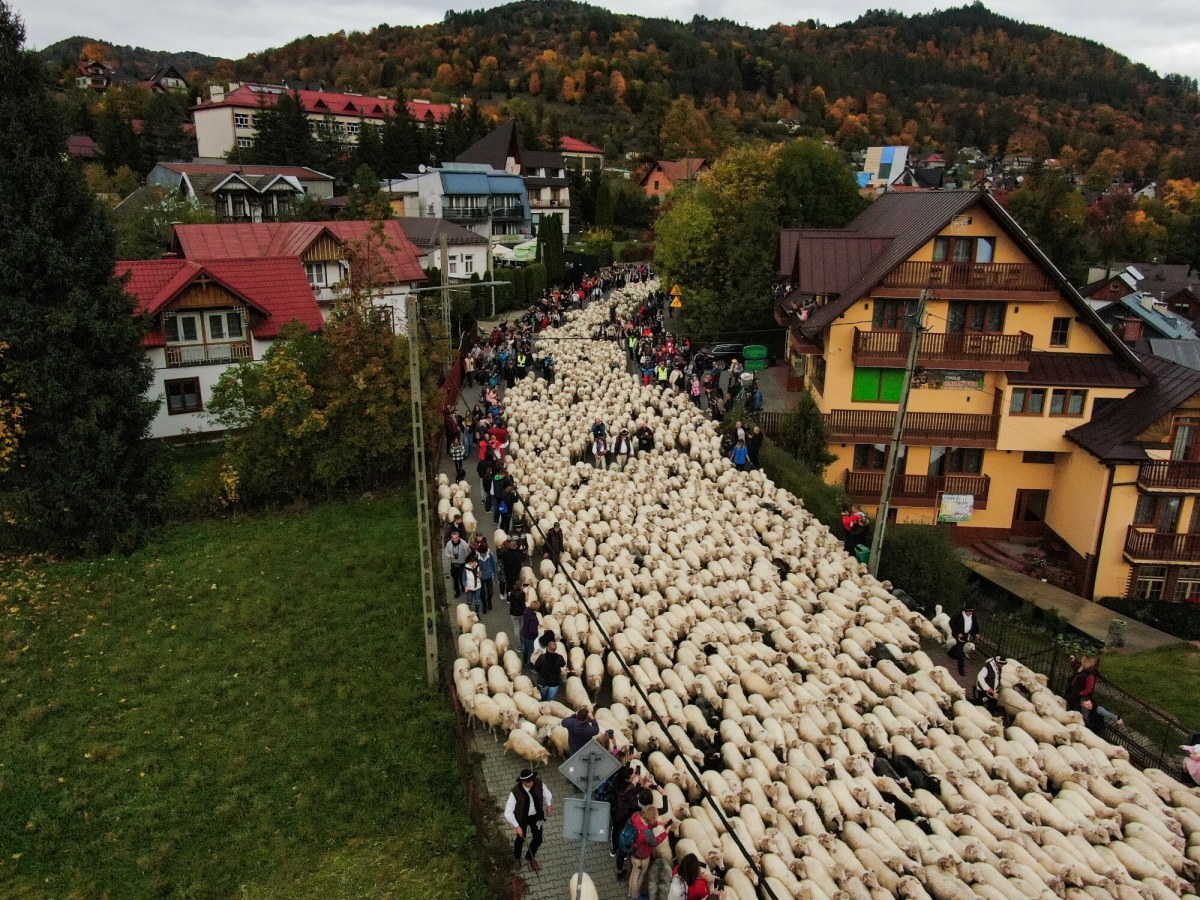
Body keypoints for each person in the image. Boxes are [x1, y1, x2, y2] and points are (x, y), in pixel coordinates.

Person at [504, 768, 554, 873]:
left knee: (538, 838)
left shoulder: (539, 783)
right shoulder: (515, 792)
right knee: (521, 838)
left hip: (537, 816)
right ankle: (517, 857)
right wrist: (516, 826)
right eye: (528, 781)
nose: (531, 782)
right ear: (522, 782)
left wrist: (549, 805)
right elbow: (508, 812)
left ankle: (530, 857)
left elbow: (547, 794)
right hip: (522, 818)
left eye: (532, 780)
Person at [628, 804, 669, 900]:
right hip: (641, 857)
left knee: (634, 873)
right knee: (639, 876)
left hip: (634, 851)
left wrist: (658, 823)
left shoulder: (636, 816)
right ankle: (635, 896)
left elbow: (646, 823)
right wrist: (665, 832)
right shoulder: (647, 832)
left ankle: (630, 892)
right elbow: (655, 842)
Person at [947, 604, 980, 676]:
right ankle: (961, 669)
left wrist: (976, 633)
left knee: (960, 645)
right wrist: (957, 633)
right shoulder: (958, 616)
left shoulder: (973, 616)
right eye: (969, 612)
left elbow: (975, 624)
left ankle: (950, 653)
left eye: (971, 612)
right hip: (959, 634)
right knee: (960, 651)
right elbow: (951, 623)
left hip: (966, 634)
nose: (970, 613)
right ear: (965, 611)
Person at [473, 536, 497, 613]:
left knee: (490, 592)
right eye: (482, 553)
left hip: (489, 576)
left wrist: (496, 576)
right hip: (481, 578)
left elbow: (494, 564)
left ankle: (489, 601)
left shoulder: (489, 555)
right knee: (482, 593)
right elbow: (474, 567)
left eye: (484, 553)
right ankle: (484, 605)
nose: (483, 555)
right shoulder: (476, 557)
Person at [444, 532, 471, 598]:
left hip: (462, 563)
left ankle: (463, 587)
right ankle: (457, 591)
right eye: (453, 538)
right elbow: (446, 553)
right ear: (451, 538)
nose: (455, 539)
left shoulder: (463, 542)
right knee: (455, 579)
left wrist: (467, 548)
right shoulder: (449, 544)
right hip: (454, 564)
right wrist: (450, 556)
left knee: (462, 578)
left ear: (458, 537)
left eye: (456, 538)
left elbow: (469, 553)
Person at [520, 598, 541, 663]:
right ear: (536, 608)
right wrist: (536, 634)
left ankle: (525, 661)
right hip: (530, 637)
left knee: (525, 649)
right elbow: (532, 630)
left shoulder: (526, 612)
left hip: (524, 633)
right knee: (531, 651)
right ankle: (531, 664)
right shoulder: (533, 618)